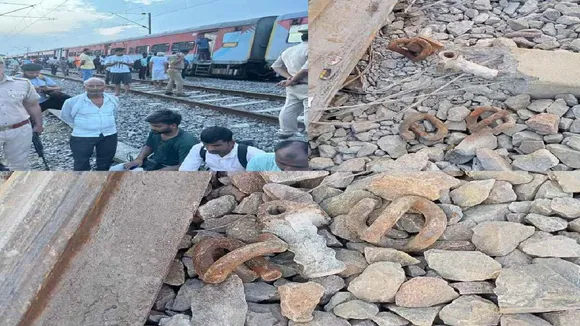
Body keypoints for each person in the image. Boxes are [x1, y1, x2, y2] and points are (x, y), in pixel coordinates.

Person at [110, 109, 198, 171]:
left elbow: (186, 166)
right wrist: (139, 159)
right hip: (152, 164)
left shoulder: (187, 142)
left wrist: (157, 173)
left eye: (157, 126)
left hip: (167, 169)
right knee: (115, 170)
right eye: (152, 125)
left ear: (173, 125)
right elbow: (149, 146)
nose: (152, 128)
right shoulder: (156, 132)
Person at [61, 77, 118, 171]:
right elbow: (66, 116)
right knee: (81, 162)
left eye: (99, 85)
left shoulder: (113, 100)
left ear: (105, 87)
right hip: (82, 136)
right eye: (91, 86)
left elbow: (114, 113)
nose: (95, 88)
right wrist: (85, 126)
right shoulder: (72, 101)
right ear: (85, 87)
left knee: (106, 161)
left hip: (109, 134)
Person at [0, 57, 43, 171]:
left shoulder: (22, 83)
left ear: (2, 66)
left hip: (19, 130)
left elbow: (32, 105)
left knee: (19, 166)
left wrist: (39, 125)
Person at [271, 28, 308, 139]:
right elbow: (305, 70)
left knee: (289, 108)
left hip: (293, 86)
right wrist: (292, 80)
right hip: (307, 85)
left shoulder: (288, 50)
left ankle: (287, 131)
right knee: (309, 109)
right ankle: (311, 133)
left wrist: (289, 78)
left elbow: (276, 66)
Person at [179, 126, 265, 171]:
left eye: (216, 146)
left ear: (231, 142)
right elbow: (186, 171)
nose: (210, 149)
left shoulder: (252, 154)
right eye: (206, 145)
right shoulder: (199, 149)